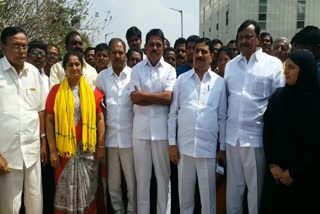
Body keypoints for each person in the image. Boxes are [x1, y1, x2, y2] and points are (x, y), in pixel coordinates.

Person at [224, 20, 284, 214]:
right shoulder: (231, 66)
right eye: (240, 37)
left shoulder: (273, 64)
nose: (244, 41)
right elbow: (226, 101)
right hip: (233, 138)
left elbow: (278, 103)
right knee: (233, 190)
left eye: (248, 37)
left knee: (255, 192)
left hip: (256, 138)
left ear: (258, 39)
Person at [168, 38, 227, 214]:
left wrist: (222, 148)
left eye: (204, 52)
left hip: (208, 151)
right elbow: (173, 114)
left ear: (212, 56)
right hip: (184, 150)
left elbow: (222, 117)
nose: (199, 55)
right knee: (185, 200)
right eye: (196, 52)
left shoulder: (219, 83)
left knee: (208, 202)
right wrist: (172, 144)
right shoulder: (181, 81)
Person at [46, 51, 105, 214]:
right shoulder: (56, 92)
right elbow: (49, 121)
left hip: (87, 152)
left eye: (77, 64)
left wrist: (101, 145)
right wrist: (52, 150)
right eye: (70, 64)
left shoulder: (92, 92)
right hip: (64, 152)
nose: (74, 67)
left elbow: (100, 119)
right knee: (64, 193)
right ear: (64, 68)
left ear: (82, 67)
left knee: (88, 192)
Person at [262, 49, 320, 214]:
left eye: (292, 67)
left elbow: (316, 145)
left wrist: (294, 173)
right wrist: (272, 164)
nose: (286, 71)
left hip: (305, 180)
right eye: (285, 66)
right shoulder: (279, 96)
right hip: (276, 176)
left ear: (305, 70)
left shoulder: (315, 102)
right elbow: (268, 132)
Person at [0, 26, 46, 214]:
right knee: (9, 208)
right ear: (3, 47)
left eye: (24, 46)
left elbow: (40, 110)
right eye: (16, 45)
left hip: (33, 152)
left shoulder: (34, 73)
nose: (21, 50)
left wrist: (42, 141)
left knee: (35, 204)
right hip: (7, 156)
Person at [130, 28, 176, 214]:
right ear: (144, 47)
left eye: (158, 44)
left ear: (164, 47)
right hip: (140, 132)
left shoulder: (170, 70)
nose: (155, 48)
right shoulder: (136, 69)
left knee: (164, 179)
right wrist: (158, 97)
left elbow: (169, 98)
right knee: (142, 180)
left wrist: (145, 96)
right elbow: (134, 98)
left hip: (162, 133)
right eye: (151, 45)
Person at [95, 38, 137, 214]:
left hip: (130, 139)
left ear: (125, 54)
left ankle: (132, 211)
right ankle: (118, 211)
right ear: (109, 55)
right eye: (114, 52)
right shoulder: (102, 78)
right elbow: (98, 109)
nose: (118, 56)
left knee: (132, 181)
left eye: (121, 52)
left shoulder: (134, 75)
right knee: (113, 183)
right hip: (110, 140)